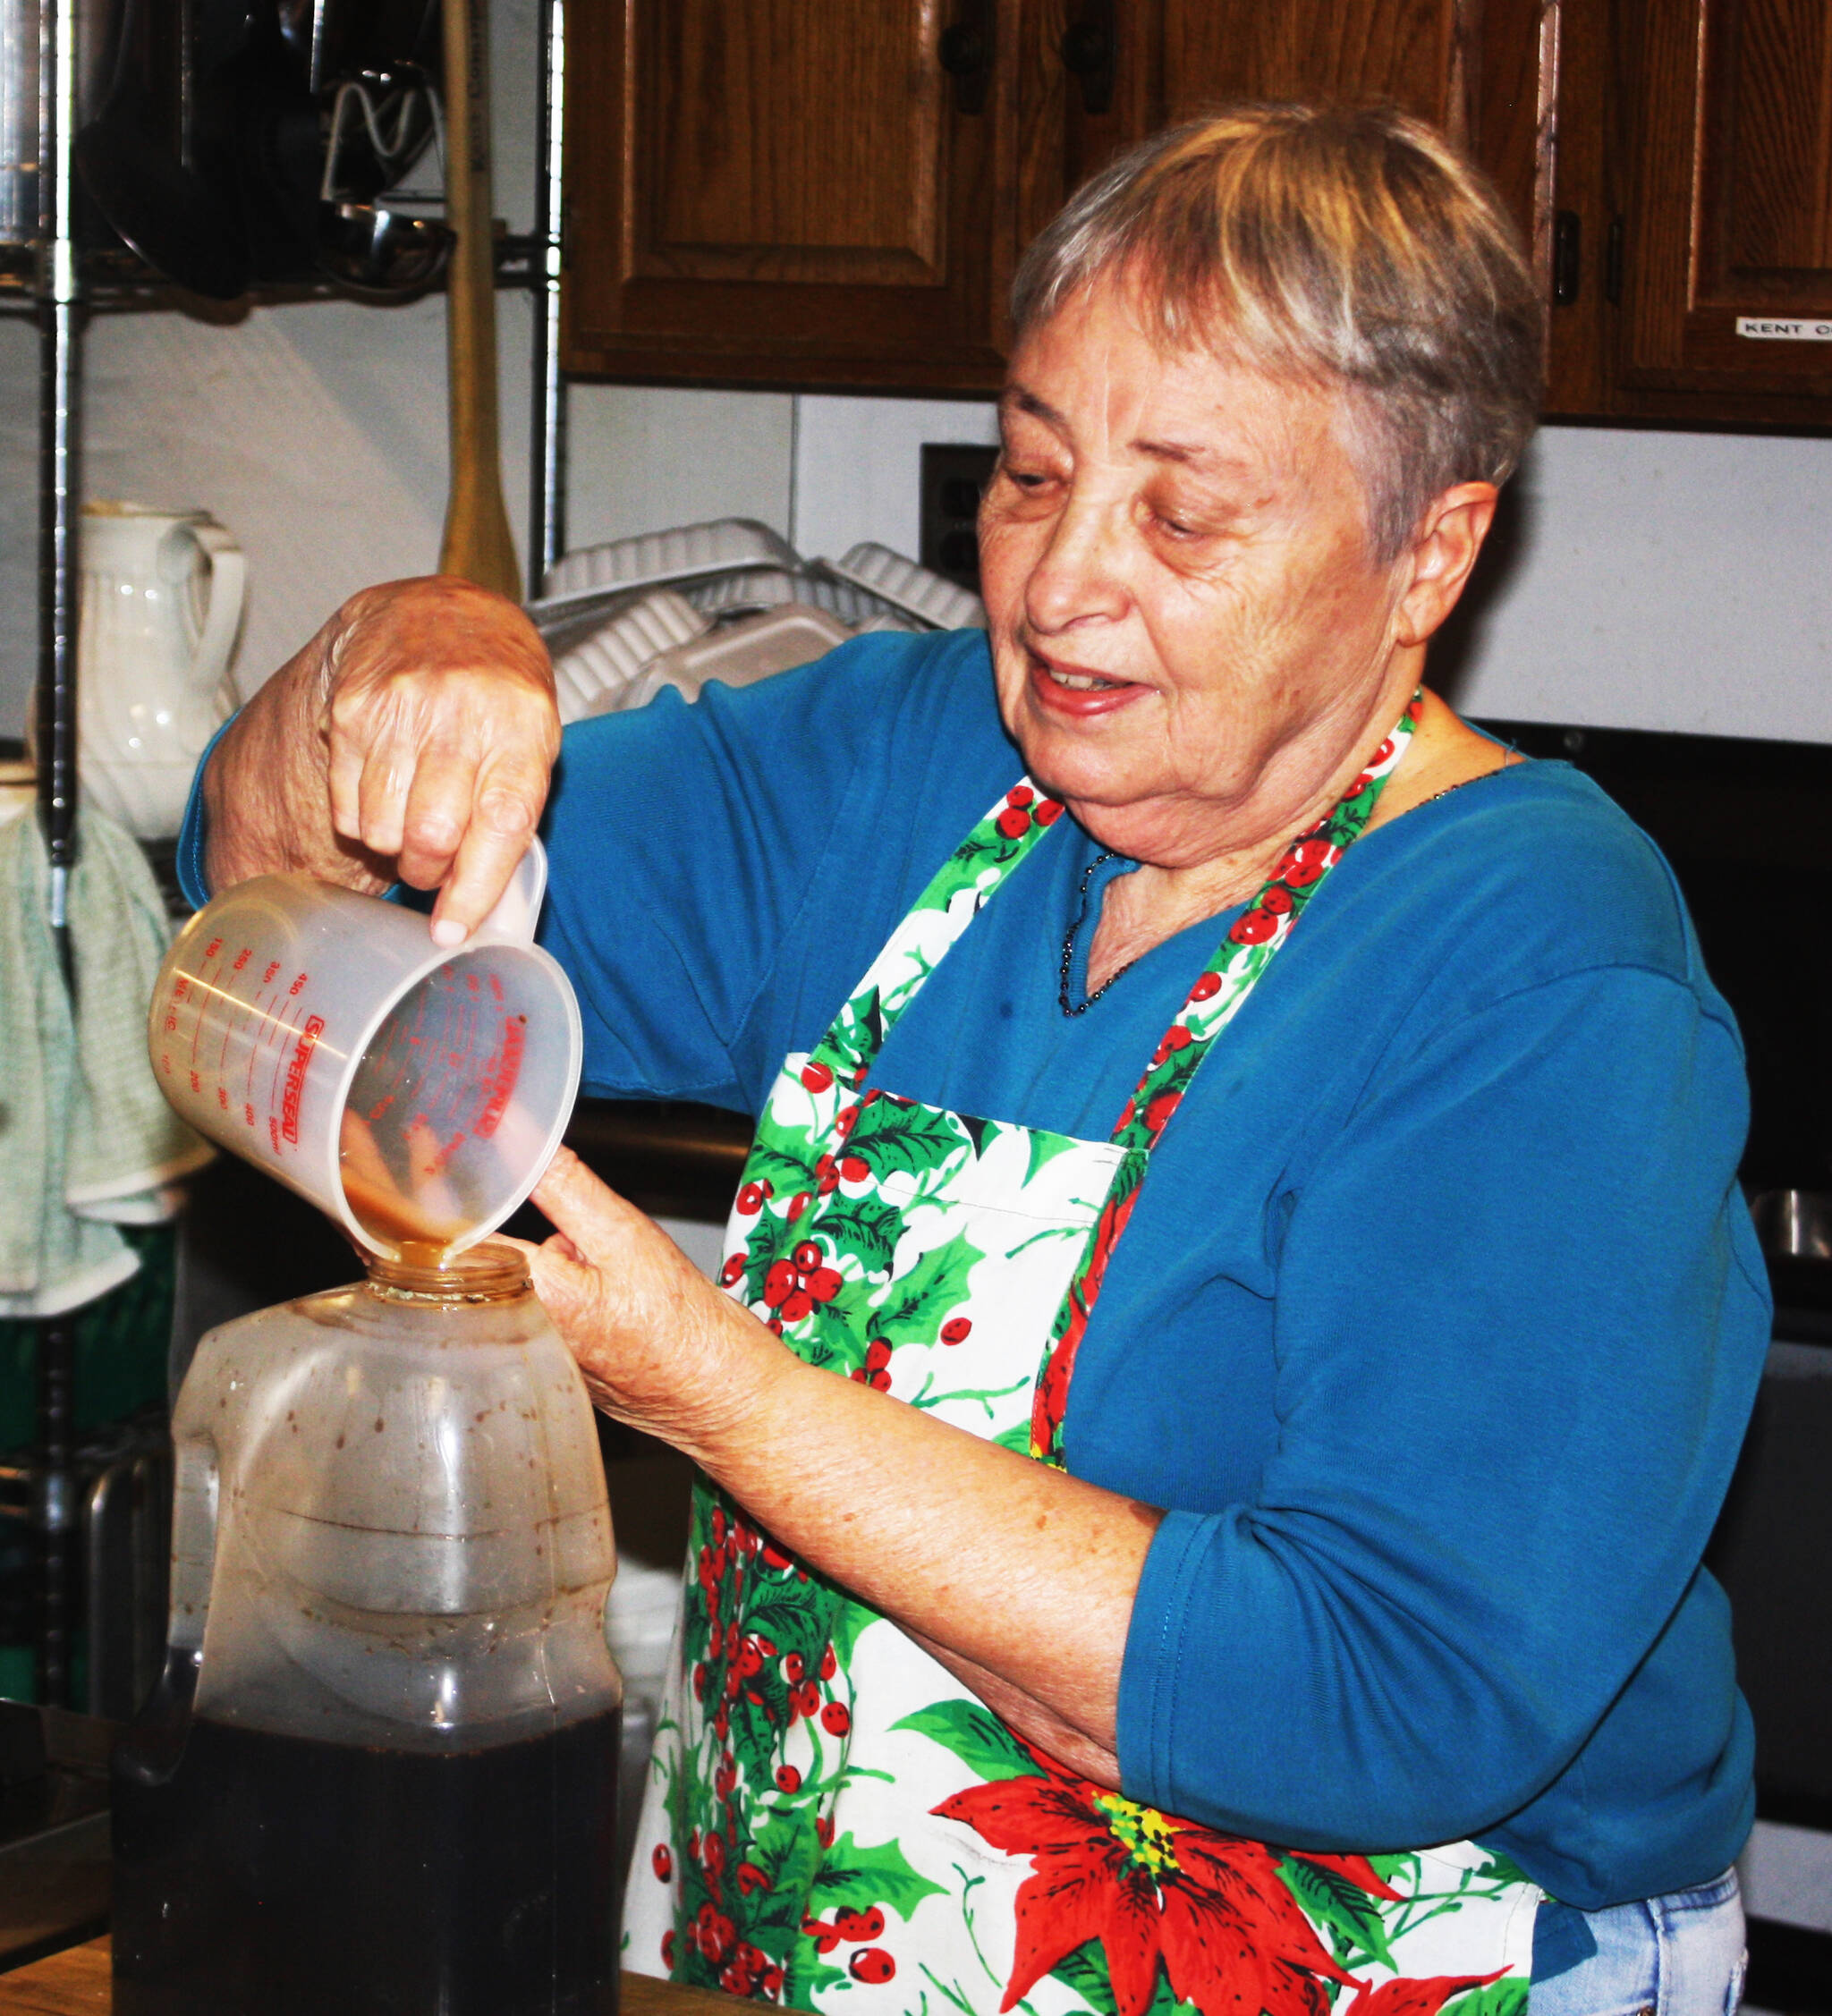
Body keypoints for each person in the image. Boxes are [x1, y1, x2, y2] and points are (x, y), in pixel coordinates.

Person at [183, 105, 1768, 2016]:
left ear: (1428, 547)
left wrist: (711, 1390)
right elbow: (295, 920)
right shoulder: (909, 769)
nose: (1059, 580)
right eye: (1026, 473)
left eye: (1182, 514)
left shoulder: (1542, 975)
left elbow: (1382, 1689)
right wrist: (382, 662)